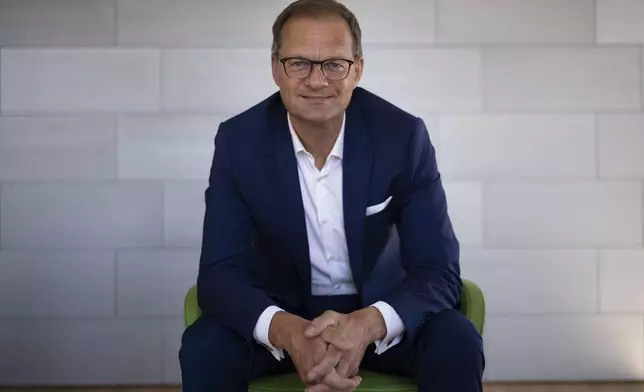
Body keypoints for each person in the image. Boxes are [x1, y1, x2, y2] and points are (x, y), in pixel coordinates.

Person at [179, 0, 485, 391]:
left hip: (377, 313)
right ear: (275, 68)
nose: (317, 80)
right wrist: (288, 332)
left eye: (334, 64)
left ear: (357, 68)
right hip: (282, 312)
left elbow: (438, 270)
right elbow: (219, 274)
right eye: (299, 63)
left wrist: (365, 325)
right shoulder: (239, 142)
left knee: (455, 340)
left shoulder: (403, 137)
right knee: (205, 346)